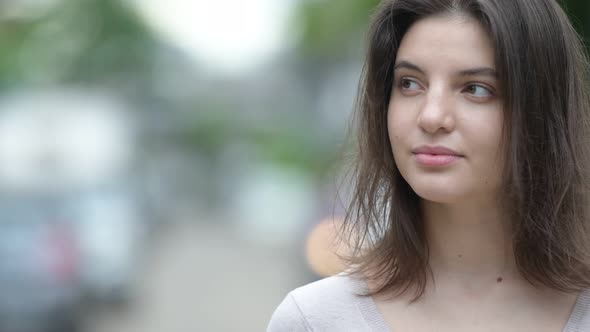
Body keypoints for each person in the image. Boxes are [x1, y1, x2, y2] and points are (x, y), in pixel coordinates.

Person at [267, 0, 590, 330]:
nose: (432, 116)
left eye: (476, 89)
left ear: (542, 113)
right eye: (409, 83)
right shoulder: (315, 320)